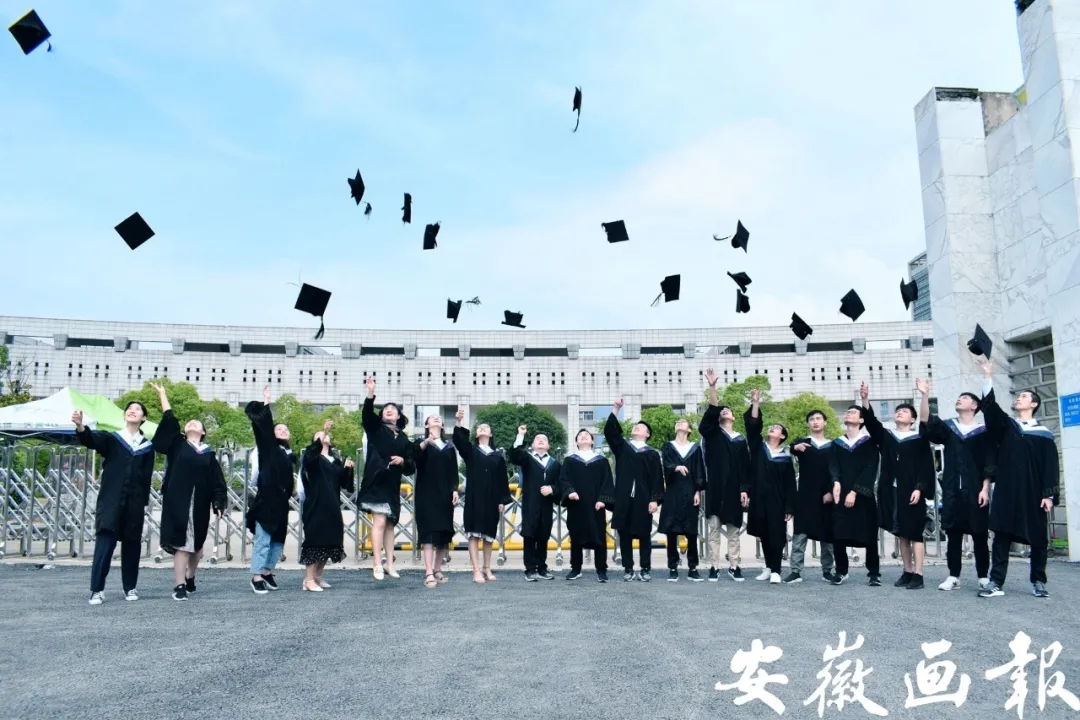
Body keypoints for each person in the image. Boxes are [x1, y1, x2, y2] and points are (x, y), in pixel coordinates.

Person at [976, 357, 1059, 599]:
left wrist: (1049, 495)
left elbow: (1051, 466)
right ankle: (995, 582)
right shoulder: (1008, 427)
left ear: (1033, 404)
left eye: (1023, 396)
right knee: (1001, 536)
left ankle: (1038, 581)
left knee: (1038, 539)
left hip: (1034, 492)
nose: (1018, 399)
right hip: (1008, 490)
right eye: (1018, 396)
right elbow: (991, 411)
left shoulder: (1044, 434)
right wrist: (988, 376)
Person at [149, 383, 227, 601]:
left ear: (203, 432)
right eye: (189, 422)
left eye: (197, 423)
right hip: (178, 503)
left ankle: (190, 576)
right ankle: (179, 585)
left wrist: (219, 502)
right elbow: (170, 421)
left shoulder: (208, 455)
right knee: (182, 544)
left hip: (199, 504)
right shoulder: (177, 446)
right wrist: (163, 395)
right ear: (184, 431)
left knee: (197, 549)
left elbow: (217, 481)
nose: (192, 423)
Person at [917, 378, 995, 591]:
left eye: (965, 398)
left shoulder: (983, 431)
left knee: (980, 534)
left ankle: (983, 576)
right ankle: (953, 576)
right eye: (959, 397)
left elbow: (989, 461)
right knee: (953, 534)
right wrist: (924, 395)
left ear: (974, 406)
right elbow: (925, 420)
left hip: (976, 489)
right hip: (952, 489)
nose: (960, 399)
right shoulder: (950, 428)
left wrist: (985, 488)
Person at [74, 401, 155, 605]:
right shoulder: (112, 439)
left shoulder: (147, 447)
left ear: (144, 418)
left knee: (132, 545)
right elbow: (91, 440)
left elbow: (146, 477)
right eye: (130, 408)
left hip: (134, 503)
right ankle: (97, 589)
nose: (132, 410)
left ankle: (130, 587)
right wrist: (81, 426)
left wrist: (142, 503)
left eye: (137, 409)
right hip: (111, 501)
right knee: (105, 544)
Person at [861, 383, 935, 590]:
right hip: (891, 491)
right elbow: (871, 423)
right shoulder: (888, 437)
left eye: (904, 411)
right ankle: (907, 571)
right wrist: (865, 399)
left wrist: (919, 487)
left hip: (912, 491)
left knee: (915, 533)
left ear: (912, 419)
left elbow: (925, 466)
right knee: (902, 533)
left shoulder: (919, 439)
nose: (899, 413)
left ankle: (919, 575)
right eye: (898, 411)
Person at [357, 376, 415, 580]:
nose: (389, 410)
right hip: (376, 482)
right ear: (381, 415)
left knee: (390, 524)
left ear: (399, 416)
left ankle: (390, 564)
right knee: (380, 521)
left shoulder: (404, 439)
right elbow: (367, 415)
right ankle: (377, 563)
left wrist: (403, 461)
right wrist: (370, 393)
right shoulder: (376, 429)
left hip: (392, 485)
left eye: (393, 409)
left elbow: (411, 466)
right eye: (385, 409)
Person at [698, 368, 751, 582]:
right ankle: (714, 566)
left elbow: (746, 467)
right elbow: (711, 412)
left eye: (727, 410)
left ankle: (735, 565)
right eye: (721, 411)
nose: (724, 411)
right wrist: (712, 388)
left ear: (734, 417)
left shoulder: (740, 439)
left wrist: (745, 489)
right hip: (715, 489)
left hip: (734, 490)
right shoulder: (712, 434)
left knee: (734, 531)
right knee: (713, 531)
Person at [244, 386, 296, 595]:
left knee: (277, 540)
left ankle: (267, 571)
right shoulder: (269, 447)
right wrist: (266, 402)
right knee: (263, 539)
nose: (282, 431)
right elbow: (264, 428)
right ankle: (256, 575)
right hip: (266, 501)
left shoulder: (288, 453)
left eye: (285, 429)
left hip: (282, 502)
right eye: (278, 429)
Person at [604, 399, 663, 582]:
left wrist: (654, 499)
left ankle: (645, 568)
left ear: (647, 434)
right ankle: (628, 568)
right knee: (624, 535)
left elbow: (657, 479)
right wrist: (616, 408)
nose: (637, 427)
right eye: (636, 426)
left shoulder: (652, 453)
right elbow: (610, 431)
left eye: (641, 427)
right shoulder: (623, 447)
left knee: (644, 535)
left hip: (643, 499)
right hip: (623, 498)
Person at [451, 408, 510, 584]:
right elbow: (459, 442)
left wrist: (502, 499)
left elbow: (502, 479)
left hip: (492, 498)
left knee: (489, 535)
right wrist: (459, 422)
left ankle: (487, 568)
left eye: (486, 427)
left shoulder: (498, 456)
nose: (482, 428)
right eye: (479, 427)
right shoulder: (471, 451)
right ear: (476, 434)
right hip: (474, 497)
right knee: (474, 534)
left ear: (491, 434)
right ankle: (476, 570)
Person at [743, 389, 796, 585]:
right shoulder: (759, 448)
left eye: (777, 428)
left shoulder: (785, 458)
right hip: (759, 498)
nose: (772, 428)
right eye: (771, 427)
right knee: (764, 533)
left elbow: (790, 484)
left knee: (777, 535)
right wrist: (756, 403)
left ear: (782, 436)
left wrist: (789, 507)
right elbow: (752, 427)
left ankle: (776, 570)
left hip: (777, 501)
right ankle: (768, 567)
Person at [829, 394, 882, 587]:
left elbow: (870, 468)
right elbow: (833, 465)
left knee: (869, 535)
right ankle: (841, 571)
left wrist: (855, 492)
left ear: (861, 420)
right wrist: (835, 481)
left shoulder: (869, 442)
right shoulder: (837, 443)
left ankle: (874, 573)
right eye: (847, 412)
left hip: (863, 495)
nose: (848, 414)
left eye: (853, 412)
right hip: (840, 494)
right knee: (838, 534)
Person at [298, 421, 355, 592]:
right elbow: (310, 455)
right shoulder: (312, 458)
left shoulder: (335, 461)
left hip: (332, 506)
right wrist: (323, 431)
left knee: (330, 541)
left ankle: (317, 576)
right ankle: (308, 580)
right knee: (314, 541)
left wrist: (348, 469)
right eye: (319, 436)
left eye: (325, 435)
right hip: (316, 505)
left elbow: (345, 485)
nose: (324, 436)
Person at [788, 410, 837, 584]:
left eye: (818, 419)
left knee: (827, 535)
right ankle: (795, 571)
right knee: (800, 533)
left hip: (826, 496)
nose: (815, 422)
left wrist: (831, 491)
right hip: (805, 496)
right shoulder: (804, 443)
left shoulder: (833, 446)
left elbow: (836, 471)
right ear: (808, 423)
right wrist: (795, 447)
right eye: (811, 419)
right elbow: (792, 448)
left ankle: (827, 570)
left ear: (825, 422)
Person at [560, 428, 615, 583]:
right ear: (576, 442)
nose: (583, 437)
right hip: (576, 504)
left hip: (596, 505)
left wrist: (603, 499)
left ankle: (601, 570)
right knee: (575, 536)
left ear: (592, 441)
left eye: (587, 435)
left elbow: (607, 481)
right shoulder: (570, 460)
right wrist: (570, 491)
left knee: (599, 536)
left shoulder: (601, 461)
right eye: (580, 436)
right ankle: (575, 569)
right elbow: (563, 479)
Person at [414, 415, 460, 589]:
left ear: (442, 425)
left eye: (439, 418)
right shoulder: (421, 443)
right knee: (428, 532)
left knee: (443, 533)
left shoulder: (449, 447)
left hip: (445, 495)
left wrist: (454, 489)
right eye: (432, 418)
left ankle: (437, 569)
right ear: (426, 425)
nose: (436, 419)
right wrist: (426, 442)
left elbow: (453, 470)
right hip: (426, 493)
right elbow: (414, 458)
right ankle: (428, 571)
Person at [509, 425, 561, 581]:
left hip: (546, 505)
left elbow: (561, 484)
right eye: (537, 439)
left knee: (543, 535)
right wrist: (520, 435)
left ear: (548, 446)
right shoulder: (527, 459)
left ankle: (542, 567)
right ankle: (530, 569)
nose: (541, 440)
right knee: (530, 535)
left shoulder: (555, 464)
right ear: (532, 445)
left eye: (544, 439)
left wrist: (552, 489)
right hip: (530, 504)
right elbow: (515, 455)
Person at [658, 419, 706, 582]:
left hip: (690, 492)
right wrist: (675, 467)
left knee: (691, 532)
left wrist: (698, 491)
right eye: (677, 422)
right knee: (671, 532)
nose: (679, 422)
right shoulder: (668, 446)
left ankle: (693, 567)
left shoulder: (695, 448)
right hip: (673, 492)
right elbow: (665, 465)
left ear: (689, 430)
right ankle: (673, 567)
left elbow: (699, 470)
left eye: (683, 422)